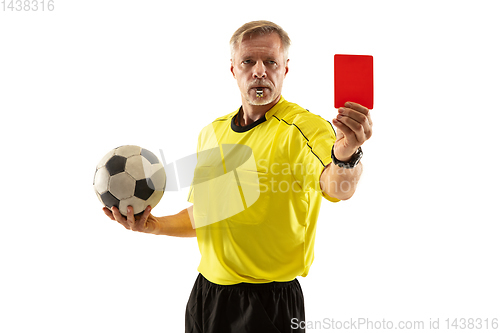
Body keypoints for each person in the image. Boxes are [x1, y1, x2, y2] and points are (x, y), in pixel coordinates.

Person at [103, 20, 373, 333]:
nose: (260, 71)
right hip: (207, 296)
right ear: (233, 69)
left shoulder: (303, 129)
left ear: (285, 69)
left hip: (268, 303)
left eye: (271, 61)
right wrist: (154, 225)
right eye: (248, 61)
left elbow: (337, 187)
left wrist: (348, 154)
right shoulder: (212, 132)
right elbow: (208, 214)